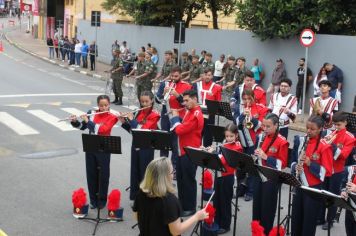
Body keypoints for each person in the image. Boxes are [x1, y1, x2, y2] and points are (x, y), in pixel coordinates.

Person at [133, 157, 209, 236]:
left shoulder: (141, 193)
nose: (173, 175)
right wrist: (196, 217)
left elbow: (136, 217)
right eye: (172, 172)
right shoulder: (170, 201)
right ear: (165, 177)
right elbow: (176, 231)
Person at [70, 95, 118, 209]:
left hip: (105, 147)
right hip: (91, 146)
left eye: (106, 105)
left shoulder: (112, 117)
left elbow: (101, 130)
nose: (103, 107)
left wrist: (88, 121)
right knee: (91, 174)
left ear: (109, 105)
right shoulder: (92, 113)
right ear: (98, 105)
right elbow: (83, 127)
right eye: (101, 105)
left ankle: (101, 201)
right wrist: (75, 121)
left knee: (103, 175)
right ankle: (93, 200)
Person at [291, 115, 333, 236]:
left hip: (313, 188)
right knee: (296, 219)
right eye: (307, 128)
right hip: (299, 184)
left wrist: (310, 164)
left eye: (312, 129)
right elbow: (292, 160)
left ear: (320, 129)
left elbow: (327, 172)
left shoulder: (325, 146)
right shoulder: (301, 140)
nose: (308, 131)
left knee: (308, 222)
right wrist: (295, 167)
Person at [120, 91, 160, 201]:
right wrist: (124, 122)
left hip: (146, 147)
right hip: (136, 144)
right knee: (134, 171)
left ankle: (144, 198)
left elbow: (142, 130)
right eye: (142, 102)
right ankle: (135, 196)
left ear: (152, 101)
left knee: (144, 172)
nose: (144, 104)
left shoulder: (155, 114)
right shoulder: (139, 112)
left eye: (147, 101)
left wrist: (132, 120)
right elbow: (133, 131)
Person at [170, 89, 204, 216]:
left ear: (195, 99)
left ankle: (190, 207)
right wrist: (177, 117)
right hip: (181, 150)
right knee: (180, 179)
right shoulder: (189, 111)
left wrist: (174, 118)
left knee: (188, 180)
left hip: (189, 152)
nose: (184, 103)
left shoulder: (196, 114)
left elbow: (180, 130)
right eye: (183, 100)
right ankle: (182, 204)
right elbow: (182, 124)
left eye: (186, 100)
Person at [253, 113, 289, 235]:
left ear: (276, 125)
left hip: (271, 179)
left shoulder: (282, 141)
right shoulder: (260, 137)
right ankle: (257, 231)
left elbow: (283, 164)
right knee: (256, 207)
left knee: (267, 209)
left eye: (268, 126)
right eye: (263, 126)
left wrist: (266, 157)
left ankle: (266, 232)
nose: (265, 129)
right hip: (259, 175)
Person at [318, 112, 355, 230]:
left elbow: (343, 156)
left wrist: (333, 145)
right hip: (325, 167)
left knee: (333, 195)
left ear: (345, 123)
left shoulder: (350, 137)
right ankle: (320, 217)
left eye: (339, 125)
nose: (336, 127)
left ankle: (330, 220)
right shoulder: (332, 132)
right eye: (334, 124)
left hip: (337, 170)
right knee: (323, 193)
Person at [209, 124, 243, 234]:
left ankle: (225, 225)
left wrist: (214, 153)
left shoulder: (237, 147)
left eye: (231, 136)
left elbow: (223, 160)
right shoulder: (225, 143)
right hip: (219, 175)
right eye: (227, 136)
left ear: (236, 135)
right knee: (217, 200)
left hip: (227, 177)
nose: (228, 139)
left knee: (225, 202)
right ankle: (217, 220)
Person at [236, 89, 269, 201]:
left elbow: (262, 126)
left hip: (254, 142)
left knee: (251, 167)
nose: (246, 101)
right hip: (242, 141)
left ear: (253, 97)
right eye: (244, 99)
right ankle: (240, 189)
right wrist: (241, 117)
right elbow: (236, 124)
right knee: (240, 167)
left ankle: (250, 191)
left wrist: (252, 117)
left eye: (249, 98)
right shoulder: (241, 108)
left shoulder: (261, 108)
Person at [157, 67, 192, 169]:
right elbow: (157, 99)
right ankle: (162, 166)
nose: (173, 78)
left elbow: (186, 104)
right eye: (172, 76)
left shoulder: (186, 86)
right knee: (164, 141)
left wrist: (177, 95)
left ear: (181, 75)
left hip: (179, 117)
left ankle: (174, 167)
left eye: (176, 76)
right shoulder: (165, 84)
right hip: (166, 116)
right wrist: (163, 94)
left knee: (175, 143)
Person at [194, 68, 222, 147]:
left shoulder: (217, 87)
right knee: (197, 135)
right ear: (202, 75)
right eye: (205, 75)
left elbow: (218, 102)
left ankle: (206, 153)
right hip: (198, 113)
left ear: (212, 76)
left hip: (210, 115)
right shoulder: (197, 85)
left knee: (208, 137)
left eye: (209, 75)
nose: (207, 77)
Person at [340, 165, 356, 236]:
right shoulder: (351, 169)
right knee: (349, 231)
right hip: (351, 207)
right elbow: (343, 184)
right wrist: (343, 191)